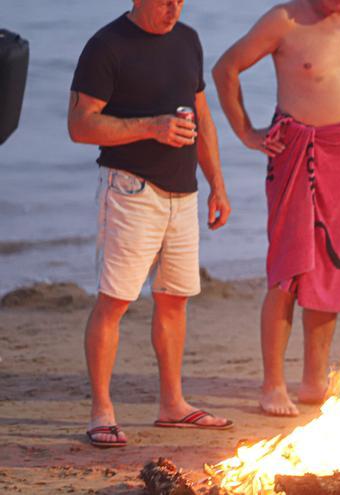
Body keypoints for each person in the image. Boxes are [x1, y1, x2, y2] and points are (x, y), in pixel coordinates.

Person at [213, 0, 340, 417]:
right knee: (288, 268)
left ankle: (314, 381)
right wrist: (247, 133)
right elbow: (225, 69)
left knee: (333, 264)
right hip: (296, 149)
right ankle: (272, 385)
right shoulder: (284, 20)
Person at [68, 0, 233, 448]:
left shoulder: (188, 39)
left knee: (175, 299)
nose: (173, 8)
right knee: (115, 300)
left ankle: (173, 405)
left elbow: (202, 116)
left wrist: (217, 183)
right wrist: (152, 127)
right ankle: (101, 411)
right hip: (129, 188)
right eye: (165, 0)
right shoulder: (107, 45)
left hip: (184, 192)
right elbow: (80, 126)